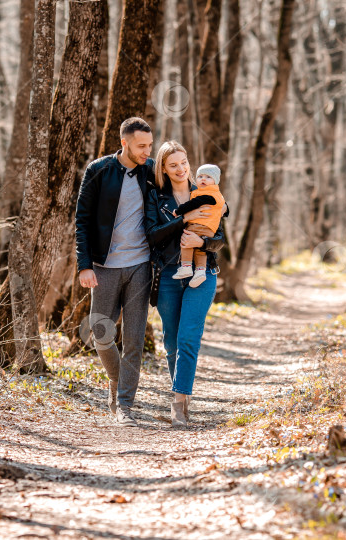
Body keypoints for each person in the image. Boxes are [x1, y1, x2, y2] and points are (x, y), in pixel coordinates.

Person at [74, 117, 154, 427]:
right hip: (104, 266)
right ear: (124, 143)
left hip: (140, 266)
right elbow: (82, 219)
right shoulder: (98, 170)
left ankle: (124, 407)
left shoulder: (150, 172)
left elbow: (181, 190)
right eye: (141, 146)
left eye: (149, 145)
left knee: (133, 339)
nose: (147, 151)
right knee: (101, 333)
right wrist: (83, 265)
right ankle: (118, 382)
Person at [145, 141, 227, 428]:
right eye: (173, 165)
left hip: (204, 274)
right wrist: (184, 221)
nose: (181, 169)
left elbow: (220, 239)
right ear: (164, 169)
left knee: (188, 337)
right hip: (168, 273)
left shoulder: (205, 191)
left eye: (184, 162)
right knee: (170, 342)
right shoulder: (157, 197)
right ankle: (181, 390)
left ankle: (178, 402)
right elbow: (152, 236)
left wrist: (201, 241)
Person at [171, 164, 226, 287]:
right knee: (200, 250)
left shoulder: (207, 194)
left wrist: (178, 211)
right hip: (209, 229)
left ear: (215, 181)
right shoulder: (216, 194)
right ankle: (200, 272)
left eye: (208, 177)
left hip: (200, 225)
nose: (203, 179)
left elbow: (194, 203)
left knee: (187, 240)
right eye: (200, 176)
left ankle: (186, 266)